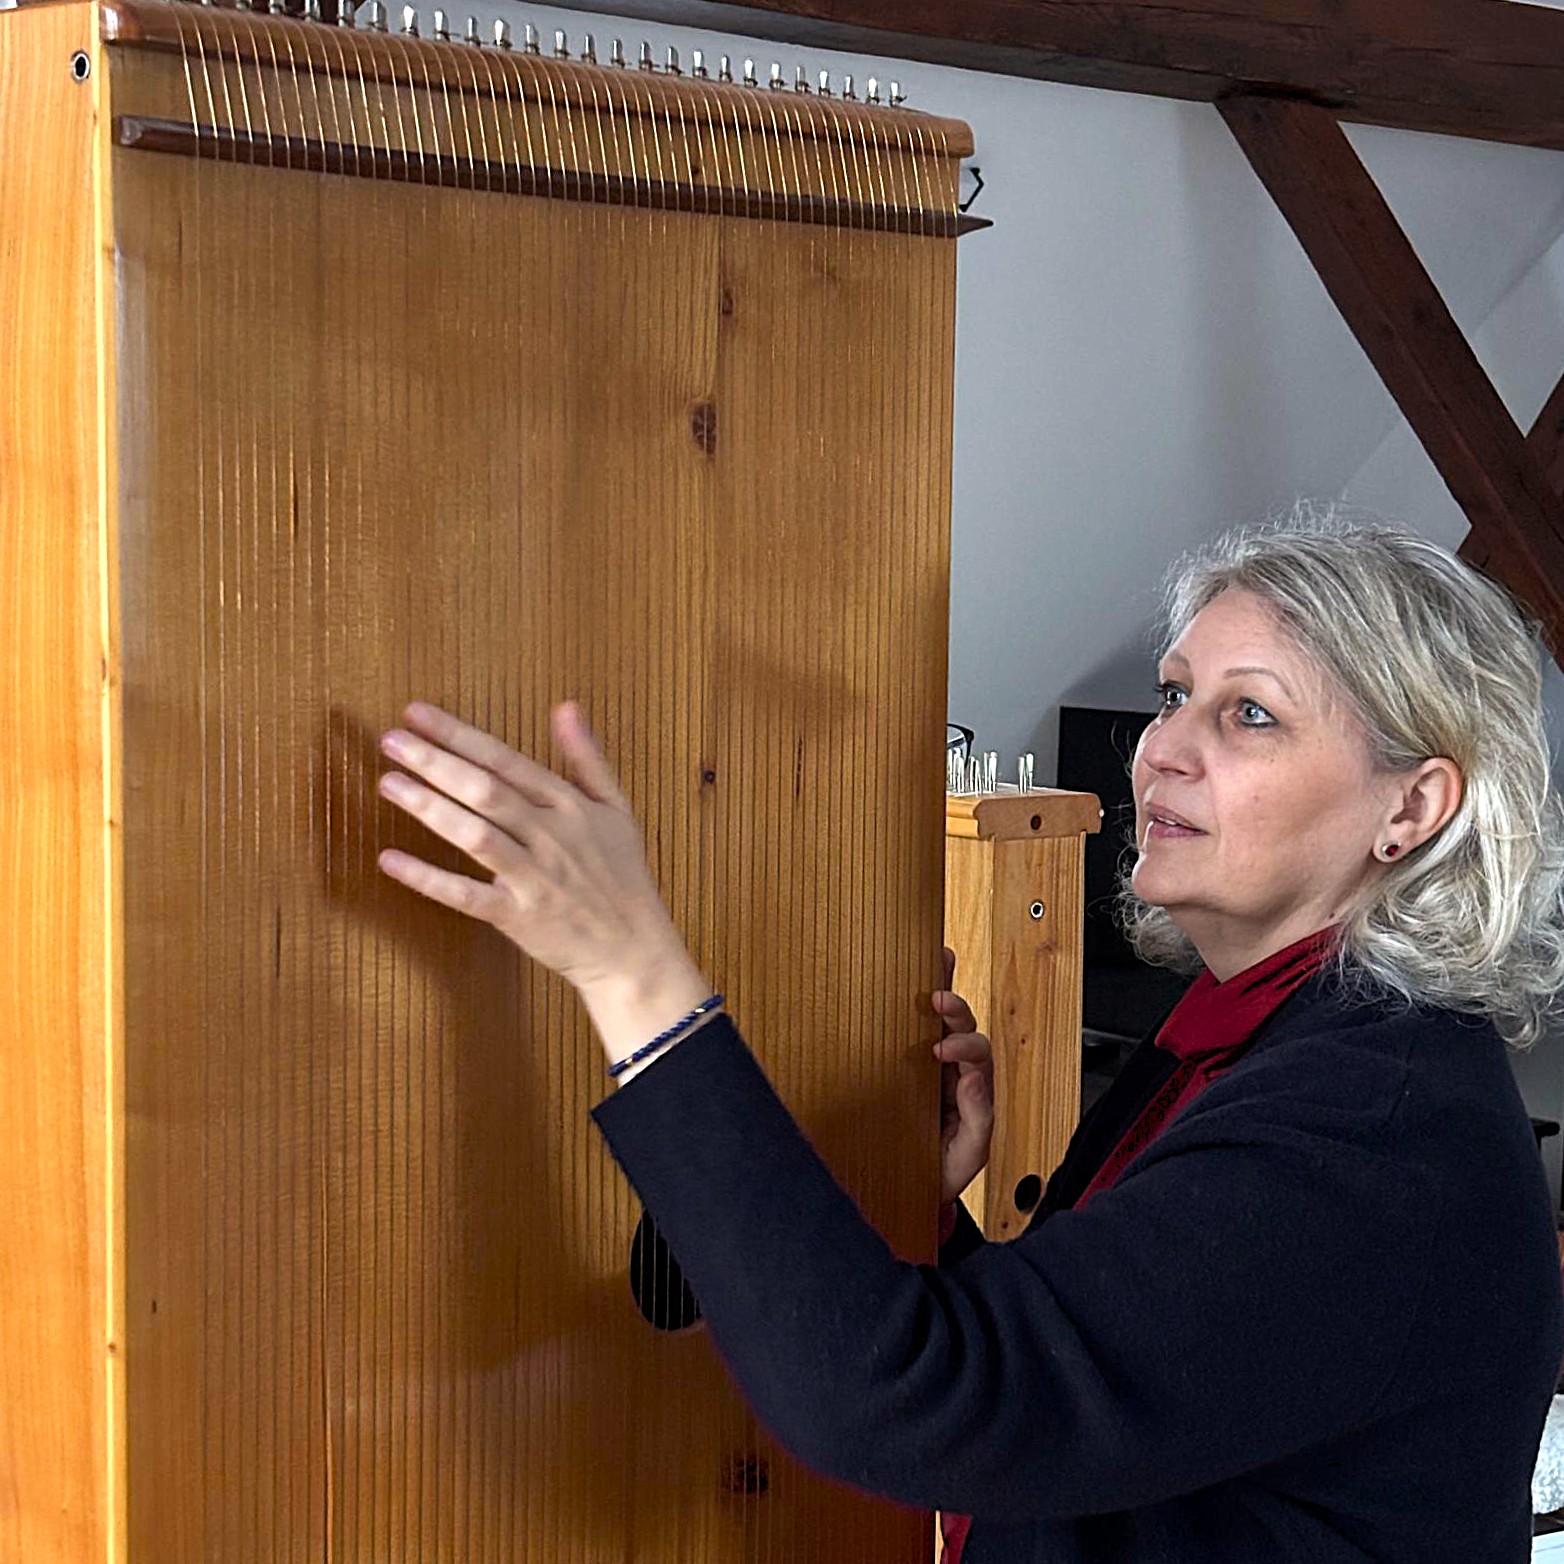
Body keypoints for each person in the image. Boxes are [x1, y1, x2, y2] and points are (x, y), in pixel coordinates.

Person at [374, 517, 1564, 1562]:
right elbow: (1093, 1399)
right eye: (1171, 695)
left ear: (1410, 807)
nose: (1161, 748)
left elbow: (922, 1405)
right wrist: (928, 1220)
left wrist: (633, 971)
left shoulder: (1371, 1131)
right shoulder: (1266, 1037)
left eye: (1248, 713)